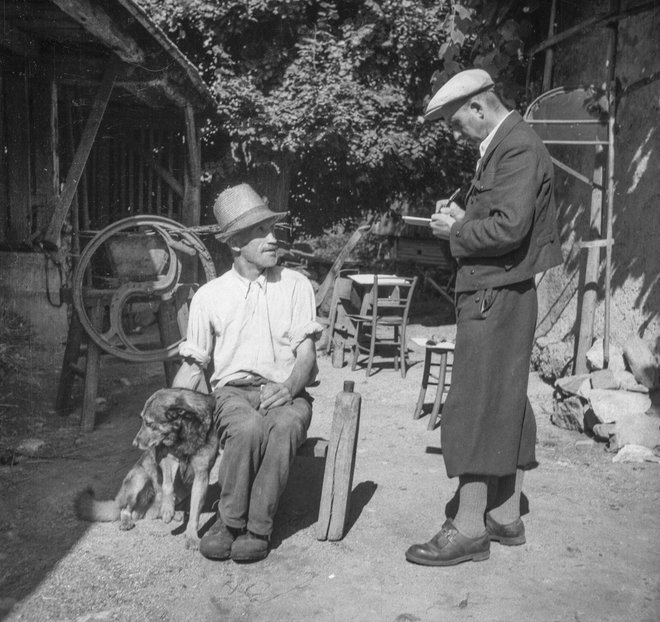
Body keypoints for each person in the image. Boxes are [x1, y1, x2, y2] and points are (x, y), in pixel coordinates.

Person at [405, 69, 563, 566]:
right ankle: (504, 515)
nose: (455, 133)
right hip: (500, 292)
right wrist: (463, 219)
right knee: (506, 397)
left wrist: (456, 229)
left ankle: (470, 527)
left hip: (495, 294)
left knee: (475, 399)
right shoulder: (506, 145)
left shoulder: (515, 147)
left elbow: (508, 228)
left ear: (478, 106)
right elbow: (501, 217)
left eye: (455, 123)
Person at [172, 183, 323, 562]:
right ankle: (229, 522)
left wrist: (290, 387)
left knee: (284, 426)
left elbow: (307, 354)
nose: (274, 239)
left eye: (273, 229)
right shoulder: (210, 296)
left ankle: (257, 529)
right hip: (232, 394)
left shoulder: (296, 285)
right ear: (236, 243)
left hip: (287, 390)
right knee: (248, 428)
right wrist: (169, 411)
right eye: (261, 232)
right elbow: (193, 366)